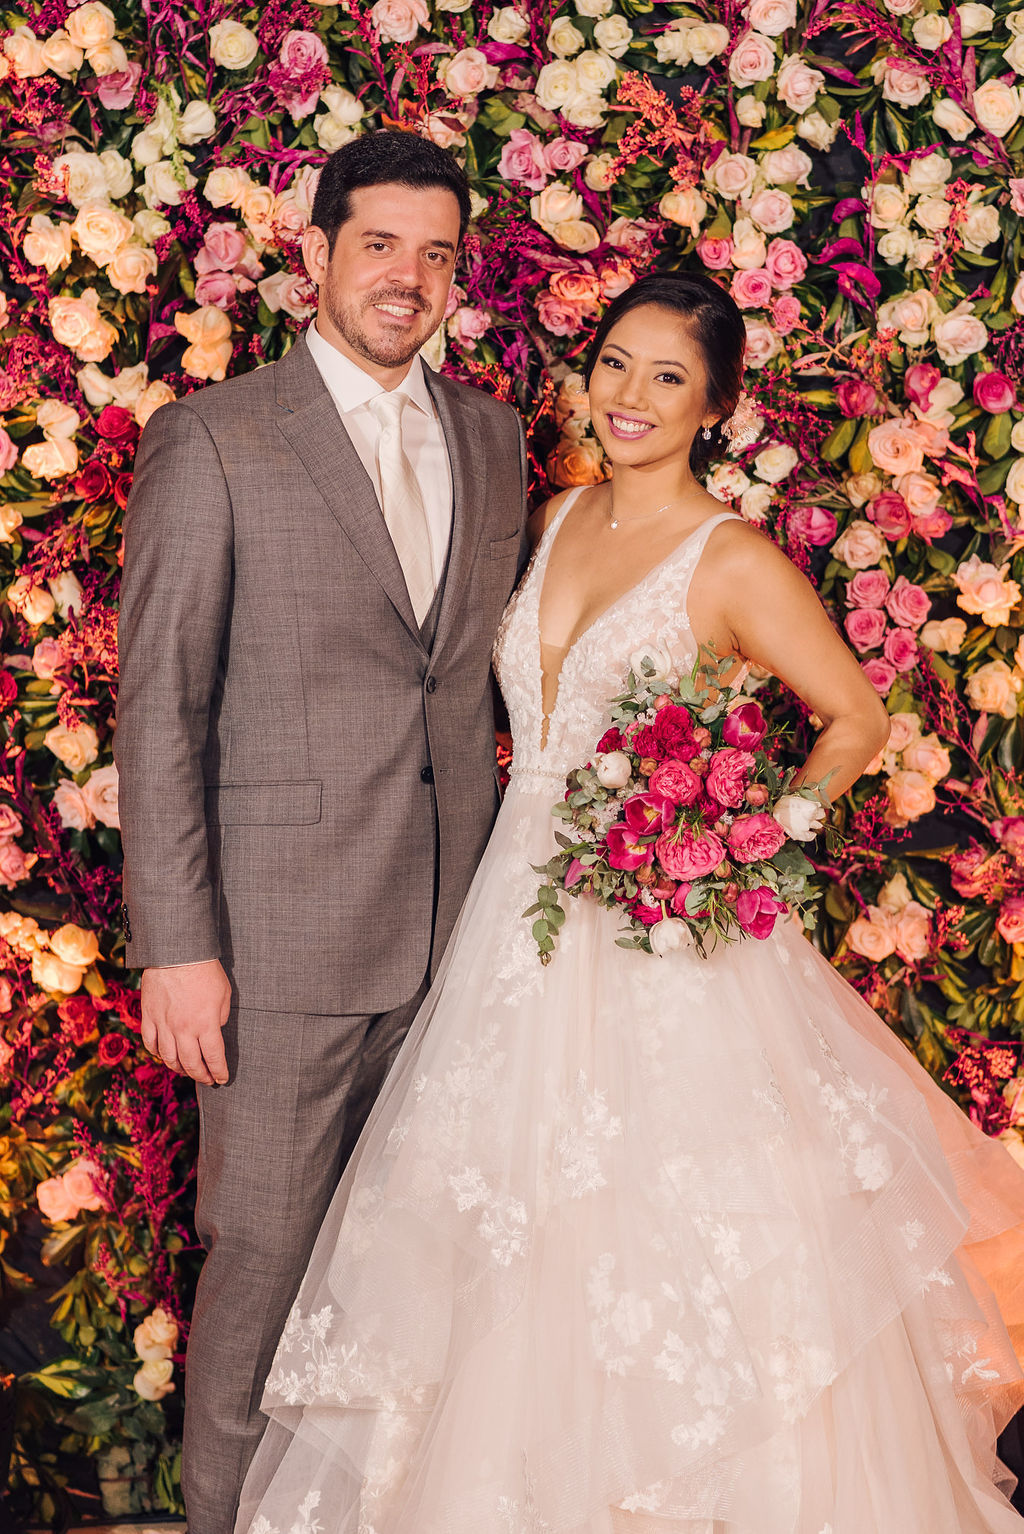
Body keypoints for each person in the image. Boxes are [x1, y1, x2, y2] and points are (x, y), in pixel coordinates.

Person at [235, 272, 1024, 1534]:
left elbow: (856, 718)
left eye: (668, 377)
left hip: (664, 940)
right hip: (512, 920)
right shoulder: (551, 517)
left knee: (670, 1233)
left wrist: (747, 839)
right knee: (509, 1231)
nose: (631, 395)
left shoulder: (732, 558)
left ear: (713, 406)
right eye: (614, 363)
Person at [114, 130, 528, 1534]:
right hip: (278, 949)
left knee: (409, 1280)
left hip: (457, 942)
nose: (408, 277)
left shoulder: (490, 438)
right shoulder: (216, 438)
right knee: (266, 1268)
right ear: (316, 256)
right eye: (380, 245)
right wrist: (177, 949)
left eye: (436, 253)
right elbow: (161, 707)